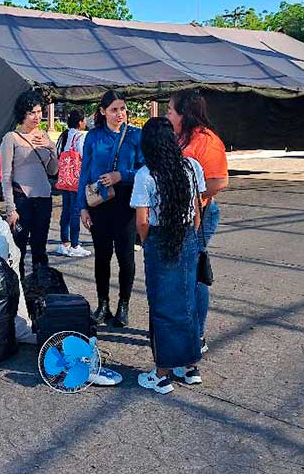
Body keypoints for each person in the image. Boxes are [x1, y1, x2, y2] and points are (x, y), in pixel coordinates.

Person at [131, 117, 206, 394]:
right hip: (187, 237)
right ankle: (190, 367)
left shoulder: (145, 175)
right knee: (187, 301)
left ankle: (161, 375)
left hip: (159, 240)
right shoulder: (191, 167)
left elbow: (142, 220)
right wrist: (188, 234)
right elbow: (198, 212)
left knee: (162, 306)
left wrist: (147, 241)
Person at [76, 90, 145, 328]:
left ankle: (123, 305)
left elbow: (145, 171)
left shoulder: (136, 135)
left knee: (126, 257)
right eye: (114, 109)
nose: (120, 114)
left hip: (125, 203)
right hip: (98, 203)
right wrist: (81, 208)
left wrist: (121, 175)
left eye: (123, 109)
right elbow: (84, 172)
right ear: (103, 111)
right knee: (102, 257)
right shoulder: (93, 137)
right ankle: (102, 303)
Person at [167, 90, 228, 354]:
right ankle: (183, 327)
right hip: (178, 216)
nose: (167, 114)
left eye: (170, 110)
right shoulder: (180, 137)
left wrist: (190, 195)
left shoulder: (207, 141)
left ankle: (197, 334)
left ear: (185, 113)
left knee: (195, 273)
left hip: (200, 215)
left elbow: (219, 181)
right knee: (182, 272)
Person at [0, 90, 58, 277]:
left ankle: (40, 287)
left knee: (40, 247)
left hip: (44, 198)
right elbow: (6, 175)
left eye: (40, 112)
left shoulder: (44, 136)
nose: (37, 116)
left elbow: (53, 170)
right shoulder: (11, 138)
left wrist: (51, 147)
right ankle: (20, 289)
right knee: (19, 247)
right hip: (21, 198)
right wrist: (10, 208)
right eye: (32, 112)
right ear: (22, 113)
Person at [54, 109, 91, 258]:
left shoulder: (64, 135)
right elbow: (83, 156)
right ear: (80, 122)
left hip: (64, 180)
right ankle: (75, 245)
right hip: (76, 180)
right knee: (76, 212)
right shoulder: (78, 137)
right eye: (84, 120)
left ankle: (65, 243)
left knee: (66, 211)